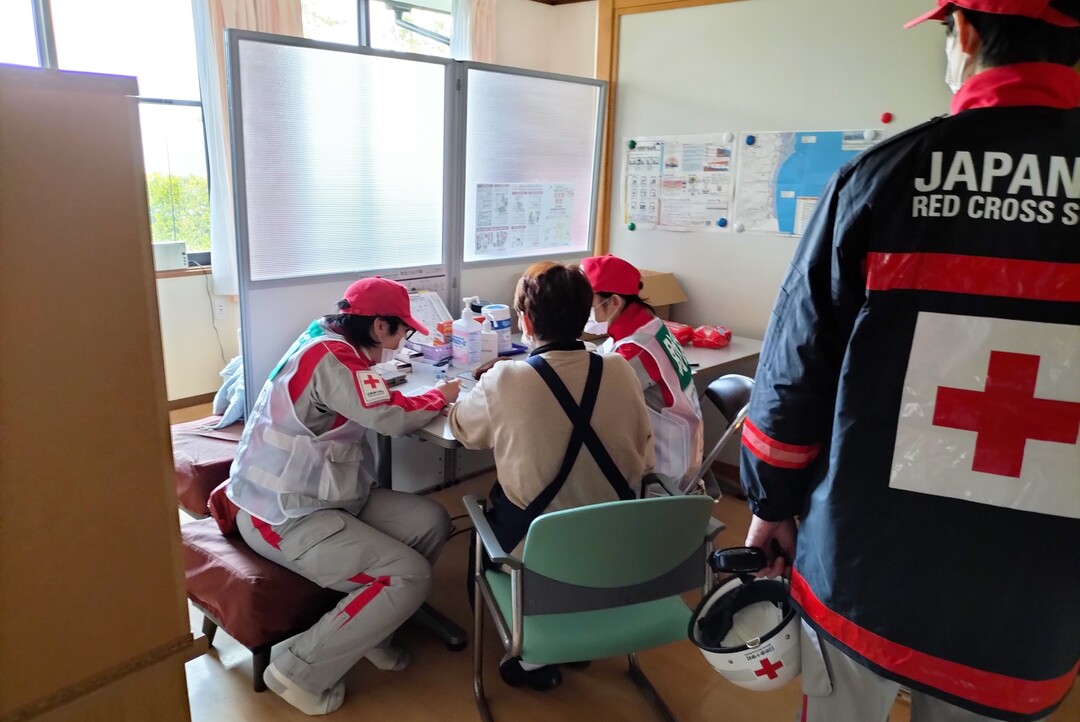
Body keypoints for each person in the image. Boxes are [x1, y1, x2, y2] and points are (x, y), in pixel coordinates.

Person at [740, 2, 1080, 721]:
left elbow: (796, 367)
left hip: (864, 564)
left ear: (965, 34)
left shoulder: (882, 177)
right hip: (1035, 598)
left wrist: (770, 502)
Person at [224, 276, 461, 716]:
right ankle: (296, 672)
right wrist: (440, 395)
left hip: (326, 496)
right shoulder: (333, 359)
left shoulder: (324, 339)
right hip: (278, 514)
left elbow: (369, 400)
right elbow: (389, 416)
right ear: (379, 327)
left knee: (431, 521)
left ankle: (374, 631)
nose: (402, 342)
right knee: (408, 576)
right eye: (402, 332)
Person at [449, 261, 654, 691]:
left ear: (525, 321)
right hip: (615, 538)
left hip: (535, 549)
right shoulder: (619, 368)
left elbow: (463, 429)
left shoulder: (506, 378)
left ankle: (527, 654)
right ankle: (575, 634)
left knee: (481, 526)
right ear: (586, 316)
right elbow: (644, 455)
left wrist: (479, 388)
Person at [581, 254, 704, 490]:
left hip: (664, 461)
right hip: (677, 437)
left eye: (587, 301)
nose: (582, 310)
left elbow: (596, 397)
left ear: (614, 302)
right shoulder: (646, 324)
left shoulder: (637, 349)